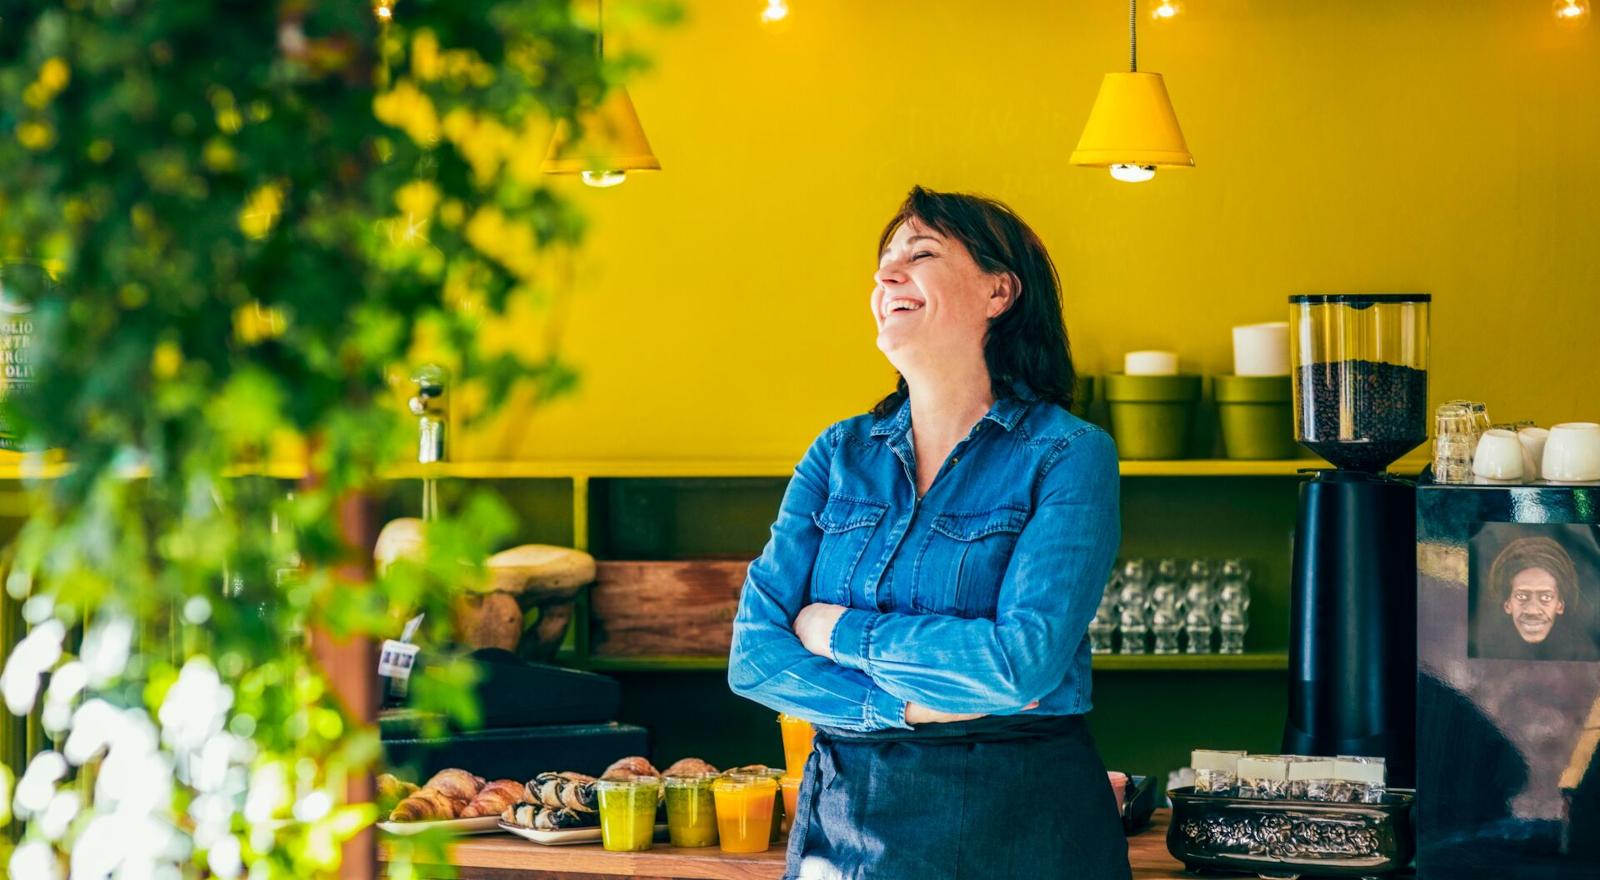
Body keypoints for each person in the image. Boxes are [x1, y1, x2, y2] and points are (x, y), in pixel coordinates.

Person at [727, 186, 1129, 879]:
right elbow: (755, 658)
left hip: (1020, 825)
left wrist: (835, 630)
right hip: (845, 828)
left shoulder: (1067, 454)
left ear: (999, 291)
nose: (886, 277)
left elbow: (1019, 665)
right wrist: (905, 707)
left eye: (921, 254)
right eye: (884, 262)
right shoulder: (837, 453)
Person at [1480, 536, 1600, 662]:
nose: (1532, 611)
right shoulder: (1483, 651)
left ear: (1560, 605)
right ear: (1508, 605)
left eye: (1545, 597)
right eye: (1522, 596)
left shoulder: (1586, 656)